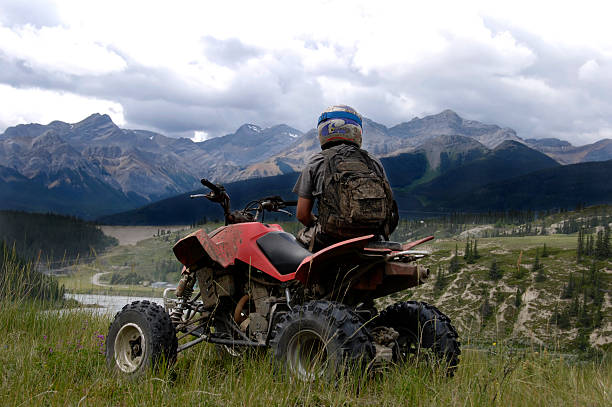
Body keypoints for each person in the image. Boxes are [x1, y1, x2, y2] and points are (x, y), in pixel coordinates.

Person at [292, 105, 397, 251]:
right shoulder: (372, 161)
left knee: (294, 248)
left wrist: (320, 222)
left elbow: (302, 214)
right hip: (372, 236)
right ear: (356, 131)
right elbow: (389, 205)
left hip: (329, 237)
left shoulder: (317, 161)